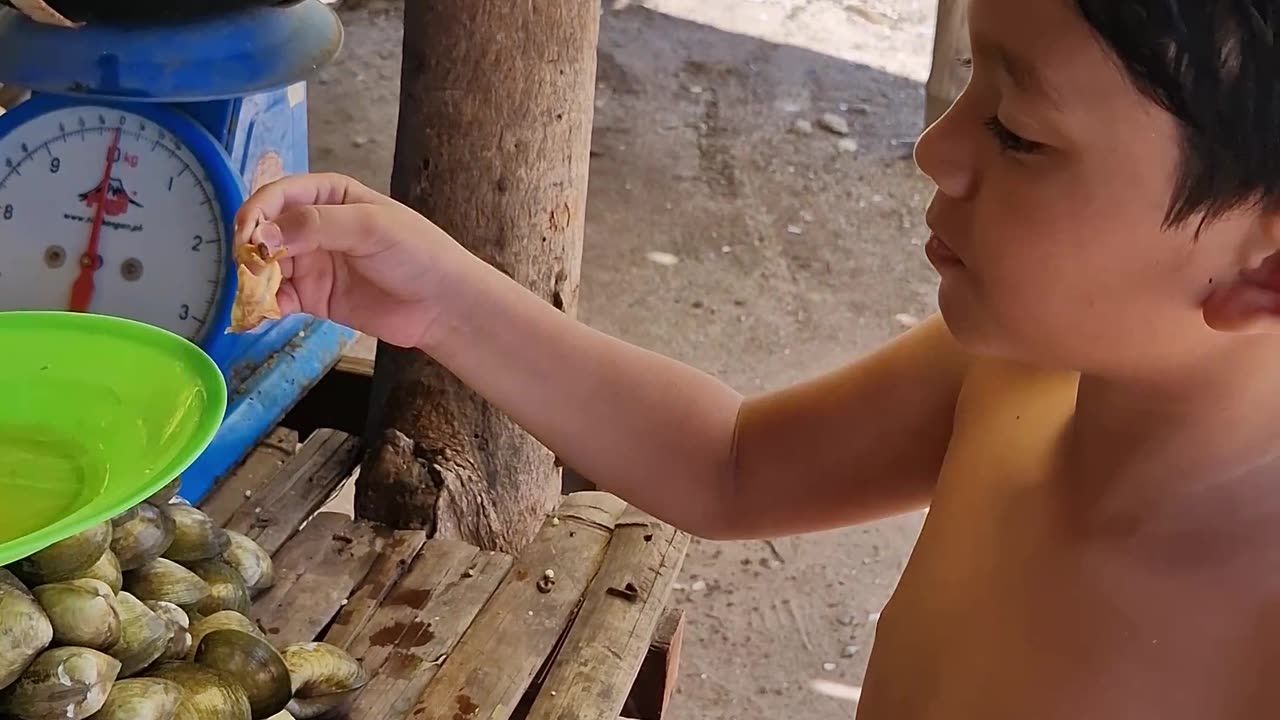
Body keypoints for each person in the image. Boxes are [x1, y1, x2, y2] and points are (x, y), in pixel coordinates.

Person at [235, 0, 1280, 716]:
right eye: (967, 79)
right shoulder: (1015, 375)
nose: (936, 148)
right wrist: (445, 300)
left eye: (1014, 132)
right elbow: (729, 464)